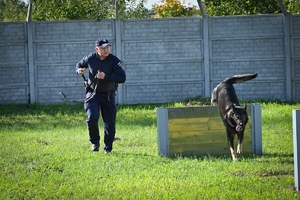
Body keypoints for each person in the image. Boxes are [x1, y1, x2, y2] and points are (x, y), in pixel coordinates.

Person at [76, 38, 126, 153]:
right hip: (93, 93)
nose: (106, 50)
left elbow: (122, 77)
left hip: (108, 95)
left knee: (110, 124)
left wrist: (106, 77)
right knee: (92, 117)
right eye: (103, 48)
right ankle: (95, 143)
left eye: (108, 47)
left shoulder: (114, 61)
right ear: (97, 49)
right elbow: (79, 64)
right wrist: (79, 70)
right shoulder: (91, 58)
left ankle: (107, 148)